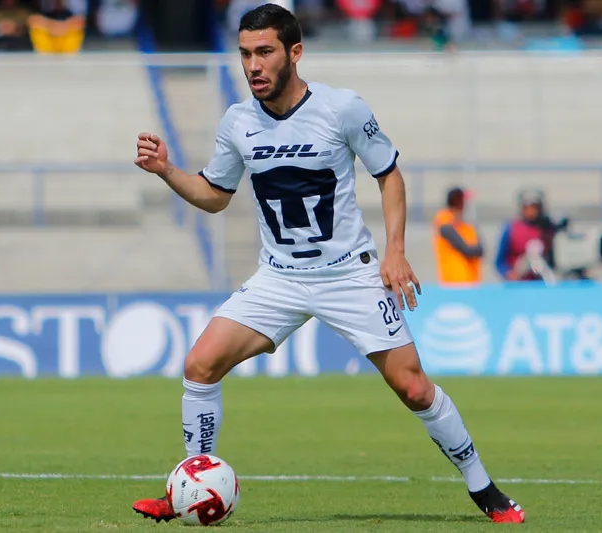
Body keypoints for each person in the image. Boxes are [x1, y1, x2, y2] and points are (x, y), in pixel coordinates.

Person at [131, 3, 525, 525]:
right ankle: (190, 482)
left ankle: (486, 491)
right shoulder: (237, 122)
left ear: (295, 52)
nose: (253, 65)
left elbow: (390, 175)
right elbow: (214, 195)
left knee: (413, 388)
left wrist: (396, 251)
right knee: (199, 366)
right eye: (246, 53)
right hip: (280, 277)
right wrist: (166, 171)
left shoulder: (342, 109)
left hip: (350, 274)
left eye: (265, 52)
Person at [494, 188, 565, 282]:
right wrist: (509, 273)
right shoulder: (511, 228)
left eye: (535, 207)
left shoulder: (548, 229)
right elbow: (499, 261)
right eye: (527, 207)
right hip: (518, 283)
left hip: (541, 283)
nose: (531, 211)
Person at [432, 186, 483, 285]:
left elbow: (481, 250)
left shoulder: (464, 226)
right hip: (453, 281)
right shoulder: (443, 219)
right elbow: (467, 250)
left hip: (470, 280)